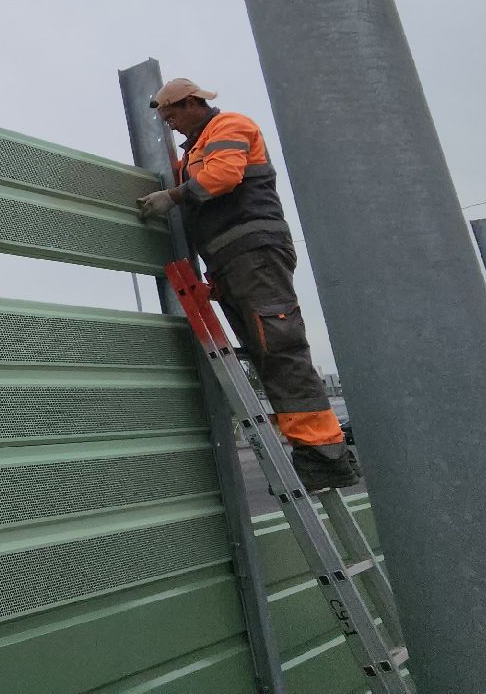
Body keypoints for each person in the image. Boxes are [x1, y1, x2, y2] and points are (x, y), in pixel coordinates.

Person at [137, 78, 358, 491]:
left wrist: (175, 196)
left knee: (280, 347)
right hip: (232, 263)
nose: (172, 126)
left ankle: (326, 456)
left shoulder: (230, 127)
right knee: (265, 351)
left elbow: (223, 177)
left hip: (254, 253)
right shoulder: (194, 149)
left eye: (173, 116)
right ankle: (311, 450)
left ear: (191, 103)